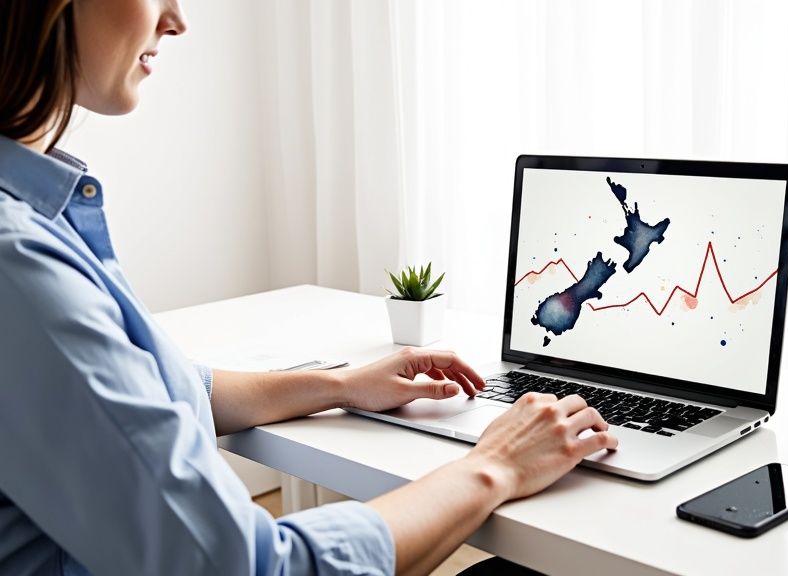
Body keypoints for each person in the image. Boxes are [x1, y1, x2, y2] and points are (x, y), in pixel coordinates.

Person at [0, 1, 619, 574]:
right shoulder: (19, 264)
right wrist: (493, 467)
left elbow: (162, 387)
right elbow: (250, 566)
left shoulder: (37, 217)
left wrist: (340, 385)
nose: (175, 20)